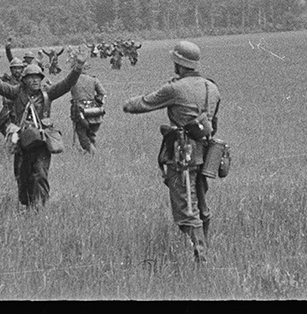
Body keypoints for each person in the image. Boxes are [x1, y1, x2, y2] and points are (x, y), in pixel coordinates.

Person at [123, 40, 221, 263]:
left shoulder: (175, 89)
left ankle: (201, 258)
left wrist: (126, 103)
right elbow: (214, 123)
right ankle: (204, 246)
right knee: (201, 202)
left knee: (186, 207)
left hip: (182, 155)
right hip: (205, 154)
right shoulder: (211, 87)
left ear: (179, 63)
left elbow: (142, 104)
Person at [0, 47, 86, 209]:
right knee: (21, 176)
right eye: (30, 78)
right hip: (21, 140)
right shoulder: (16, 92)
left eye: (37, 77)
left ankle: (41, 206)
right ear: (24, 80)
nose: (35, 81)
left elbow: (67, 84)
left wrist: (78, 66)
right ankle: (28, 203)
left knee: (40, 174)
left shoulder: (48, 93)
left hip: (41, 140)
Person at [69, 62, 108, 153]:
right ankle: (92, 153)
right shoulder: (94, 80)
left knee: (82, 133)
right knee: (92, 134)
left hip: (79, 110)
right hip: (93, 110)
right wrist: (95, 102)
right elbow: (103, 94)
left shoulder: (72, 80)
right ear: (86, 68)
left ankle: (93, 154)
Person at [0, 57, 27, 139]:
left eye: (19, 68)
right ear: (11, 69)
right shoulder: (6, 80)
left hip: (22, 109)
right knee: (8, 130)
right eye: (15, 68)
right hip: (9, 110)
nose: (17, 70)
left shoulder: (25, 81)